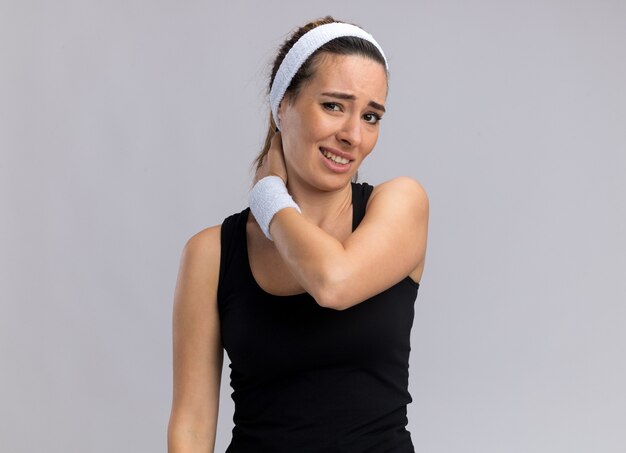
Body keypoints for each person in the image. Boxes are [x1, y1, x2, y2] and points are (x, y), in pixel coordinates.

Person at [167, 16, 429, 452]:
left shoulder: (399, 205)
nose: (352, 135)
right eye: (333, 105)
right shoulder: (211, 253)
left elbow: (333, 282)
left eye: (370, 116)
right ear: (282, 106)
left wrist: (269, 198)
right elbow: (191, 426)